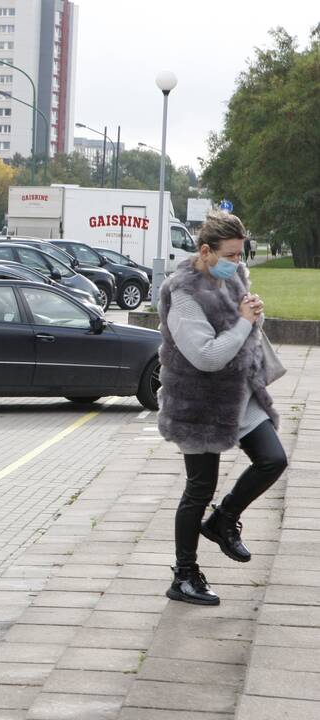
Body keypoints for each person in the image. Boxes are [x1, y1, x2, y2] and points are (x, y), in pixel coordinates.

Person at [158, 211, 284, 607]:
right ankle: (185, 575)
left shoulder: (233, 276)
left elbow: (241, 323)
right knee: (199, 488)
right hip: (197, 403)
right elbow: (208, 357)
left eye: (240, 254)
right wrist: (246, 323)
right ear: (206, 251)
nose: (237, 262)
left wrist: (253, 312)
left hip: (238, 395)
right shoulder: (183, 296)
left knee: (273, 459)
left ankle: (224, 519)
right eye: (230, 255)